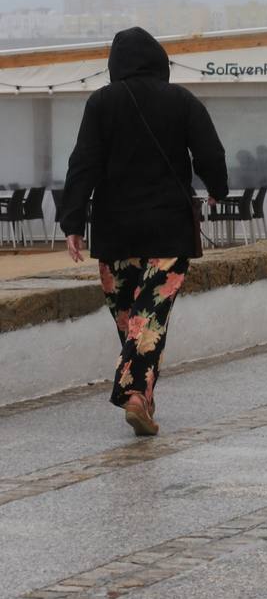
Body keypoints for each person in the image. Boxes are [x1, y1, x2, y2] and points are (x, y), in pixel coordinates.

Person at [58, 27, 229, 436]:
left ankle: (141, 397)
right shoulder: (181, 100)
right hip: (168, 231)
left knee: (130, 323)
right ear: (159, 61)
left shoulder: (101, 102)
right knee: (148, 321)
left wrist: (73, 222)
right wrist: (217, 189)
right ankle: (137, 395)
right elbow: (210, 151)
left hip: (115, 232)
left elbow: (83, 163)